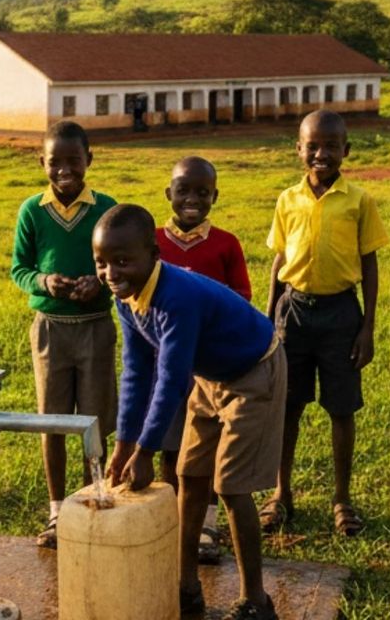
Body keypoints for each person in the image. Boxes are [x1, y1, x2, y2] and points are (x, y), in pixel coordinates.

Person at [97, 204, 285, 620]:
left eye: (122, 261)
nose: (111, 273)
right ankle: (186, 585)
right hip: (210, 375)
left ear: (154, 255)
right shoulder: (126, 298)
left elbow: (171, 380)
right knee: (190, 475)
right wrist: (124, 445)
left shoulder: (175, 299)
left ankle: (256, 600)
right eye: (101, 263)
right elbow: (136, 371)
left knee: (231, 486)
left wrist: (146, 452)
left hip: (253, 371)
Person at [260, 110, 388, 538]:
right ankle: (281, 493)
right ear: (298, 149)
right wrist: (268, 319)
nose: (321, 154)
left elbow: (369, 264)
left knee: (341, 408)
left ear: (345, 150)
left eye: (331, 146)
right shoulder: (287, 199)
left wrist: (367, 327)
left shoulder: (359, 201)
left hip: (341, 316)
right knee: (287, 407)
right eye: (312, 146)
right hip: (293, 312)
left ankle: (342, 499)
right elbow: (280, 260)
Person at [10, 120, 118, 549]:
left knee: (94, 421)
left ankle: (95, 498)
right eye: (55, 162)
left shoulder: (106, 208)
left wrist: (99, 281)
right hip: (51, 331)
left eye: (74, 160)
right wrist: (43, 282)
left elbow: (120, 263)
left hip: (95, 327)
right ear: (42, 162)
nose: (65, 170)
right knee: (51, 422)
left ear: (89, 160)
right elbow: (20, 268)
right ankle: (57, 510)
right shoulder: (32, 210)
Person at [154, 155, 252, 564]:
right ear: (169, 194)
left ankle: (207, 524)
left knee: (206, 443)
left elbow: (241, 298)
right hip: (164, 362)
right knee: (168, 443)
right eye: (183, 191)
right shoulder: (153, 242)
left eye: (202, 192)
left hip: (209, 367)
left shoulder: (226, 244)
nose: (192, 199)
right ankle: (170, 520)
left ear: (215, 196)